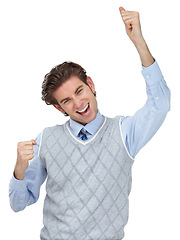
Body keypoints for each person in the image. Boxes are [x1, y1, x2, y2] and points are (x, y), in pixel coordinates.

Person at [9, 7, 171, 240]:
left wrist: (139, 42)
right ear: (59, 108)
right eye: (67, 100)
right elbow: (19, 203)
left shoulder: (125, 134)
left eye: (79, 90)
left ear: (91, 84)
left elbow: (160, 104)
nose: (78, 103)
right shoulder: (47, 139)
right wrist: (19, 169)